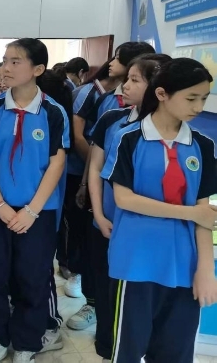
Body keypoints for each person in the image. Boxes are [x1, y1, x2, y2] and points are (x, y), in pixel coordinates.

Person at [101, 58, 217, 363]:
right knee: (127, 352)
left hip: (183, 265)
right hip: (135, 262)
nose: (198, 107)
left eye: (204, 98)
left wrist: (206, 271)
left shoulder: (202, 146)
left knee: (175, 354)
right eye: (191, 98)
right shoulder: (128, 138)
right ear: (162, 94)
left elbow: (204, 215)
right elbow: (125, 199)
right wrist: (189, 213)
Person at [0, 38, 70, 363]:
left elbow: (56, 163)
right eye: (5, 60)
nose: (6, 68)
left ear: (37, 69)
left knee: (33, 276)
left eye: (15, 61)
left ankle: (27, 342)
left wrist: (31, 210)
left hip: (37, 211)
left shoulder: (53, 112)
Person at [87, 53, 170, 361]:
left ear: (159, 88)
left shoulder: (173, 132)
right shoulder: (112, 120)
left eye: (135, 80)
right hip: (108, 223)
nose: (125, 86)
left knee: (141, 299)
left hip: (147, 231)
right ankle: (107, 348)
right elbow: (95, 169)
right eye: (127, 78)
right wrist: (98, 214)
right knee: (106, 291)